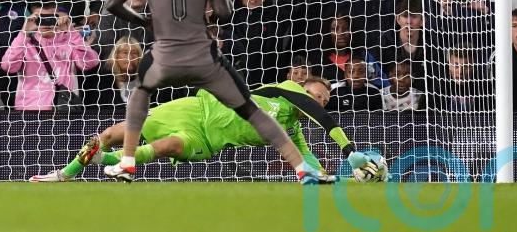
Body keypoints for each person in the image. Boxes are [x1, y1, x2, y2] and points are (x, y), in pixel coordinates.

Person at [104, 0, 335, 184]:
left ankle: (128, 160)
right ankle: (303, 170)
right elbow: (225, 12)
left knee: (140, 96)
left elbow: (113, 4)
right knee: (251, 110)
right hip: (201, 54)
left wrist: (146, 23)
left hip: (164, 52)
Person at [30, 78, 379, 183]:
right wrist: (350, 150)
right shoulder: (284, 89)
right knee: (110, 134)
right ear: (302, 87)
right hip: (194, 108)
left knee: (167, 145)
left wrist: (347, 177)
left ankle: (122, 166)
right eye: (316, 95)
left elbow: (308, 164)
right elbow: (315, 112)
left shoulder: (290, 131)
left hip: (206, 139)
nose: (317, 101)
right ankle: (66, 173)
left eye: (323, 99)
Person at [0, 1, 99, 111]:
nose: (46, 23)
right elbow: (7, 66)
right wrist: (24, 33)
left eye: (51, 17)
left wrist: (72, 32)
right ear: (32, 18)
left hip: (64, 111)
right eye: (40, 18)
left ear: (58, 18)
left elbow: (90, 63)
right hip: (29, 112)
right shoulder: (24, 43)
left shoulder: (70, 42)